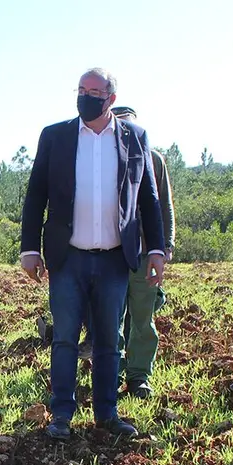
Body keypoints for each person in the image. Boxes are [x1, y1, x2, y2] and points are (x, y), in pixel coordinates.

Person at [19, 68, 166, 441]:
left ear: (111, 99)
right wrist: (30, 248)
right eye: (81, 90)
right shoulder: (56, 136)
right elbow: (36, 193)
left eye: (94, 91)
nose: (86, 96)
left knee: (108, 339)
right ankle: (61, 415)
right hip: (68, 258)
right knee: (65, 337)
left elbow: (147, 197)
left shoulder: (135, 138)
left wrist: (157, 249)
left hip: (116, 258)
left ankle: (106, 413)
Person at [112, 105, 175, 399]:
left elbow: (164, 208)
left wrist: (163, 248)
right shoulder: (100, 157)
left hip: (142, 253)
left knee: (142, 319)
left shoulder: (154, 160)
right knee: (109, 318)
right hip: (109, 253)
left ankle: (139, 376)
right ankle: (111, 372)